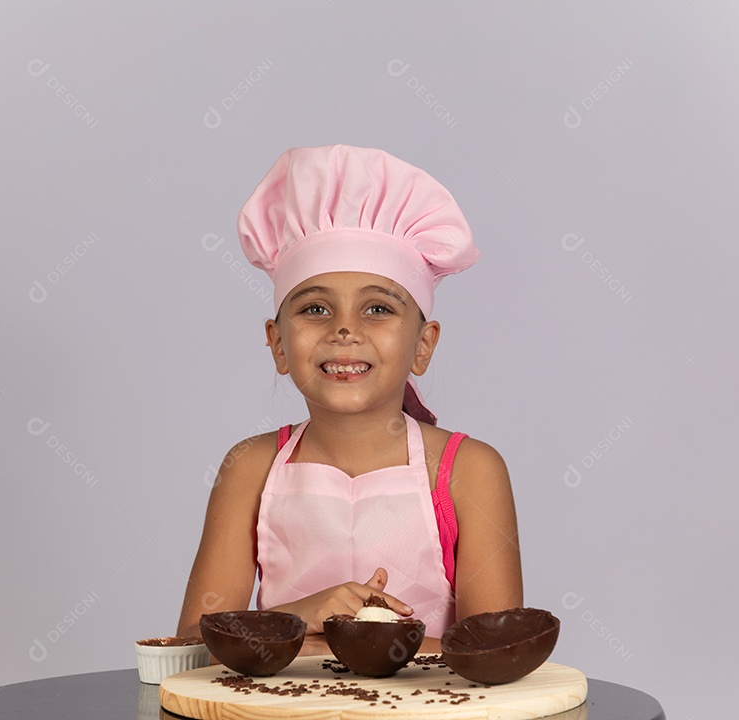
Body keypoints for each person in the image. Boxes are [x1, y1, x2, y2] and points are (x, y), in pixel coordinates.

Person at [176, 144, 522, 657]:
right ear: (277, 343)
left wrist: (369, 639)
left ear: (422, 345)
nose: (344, 330)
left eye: (378, 308)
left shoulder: (468, 471)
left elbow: (497, 656)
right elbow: (190, 652)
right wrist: (299, 616)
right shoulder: (250, 468)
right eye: (315, 308)